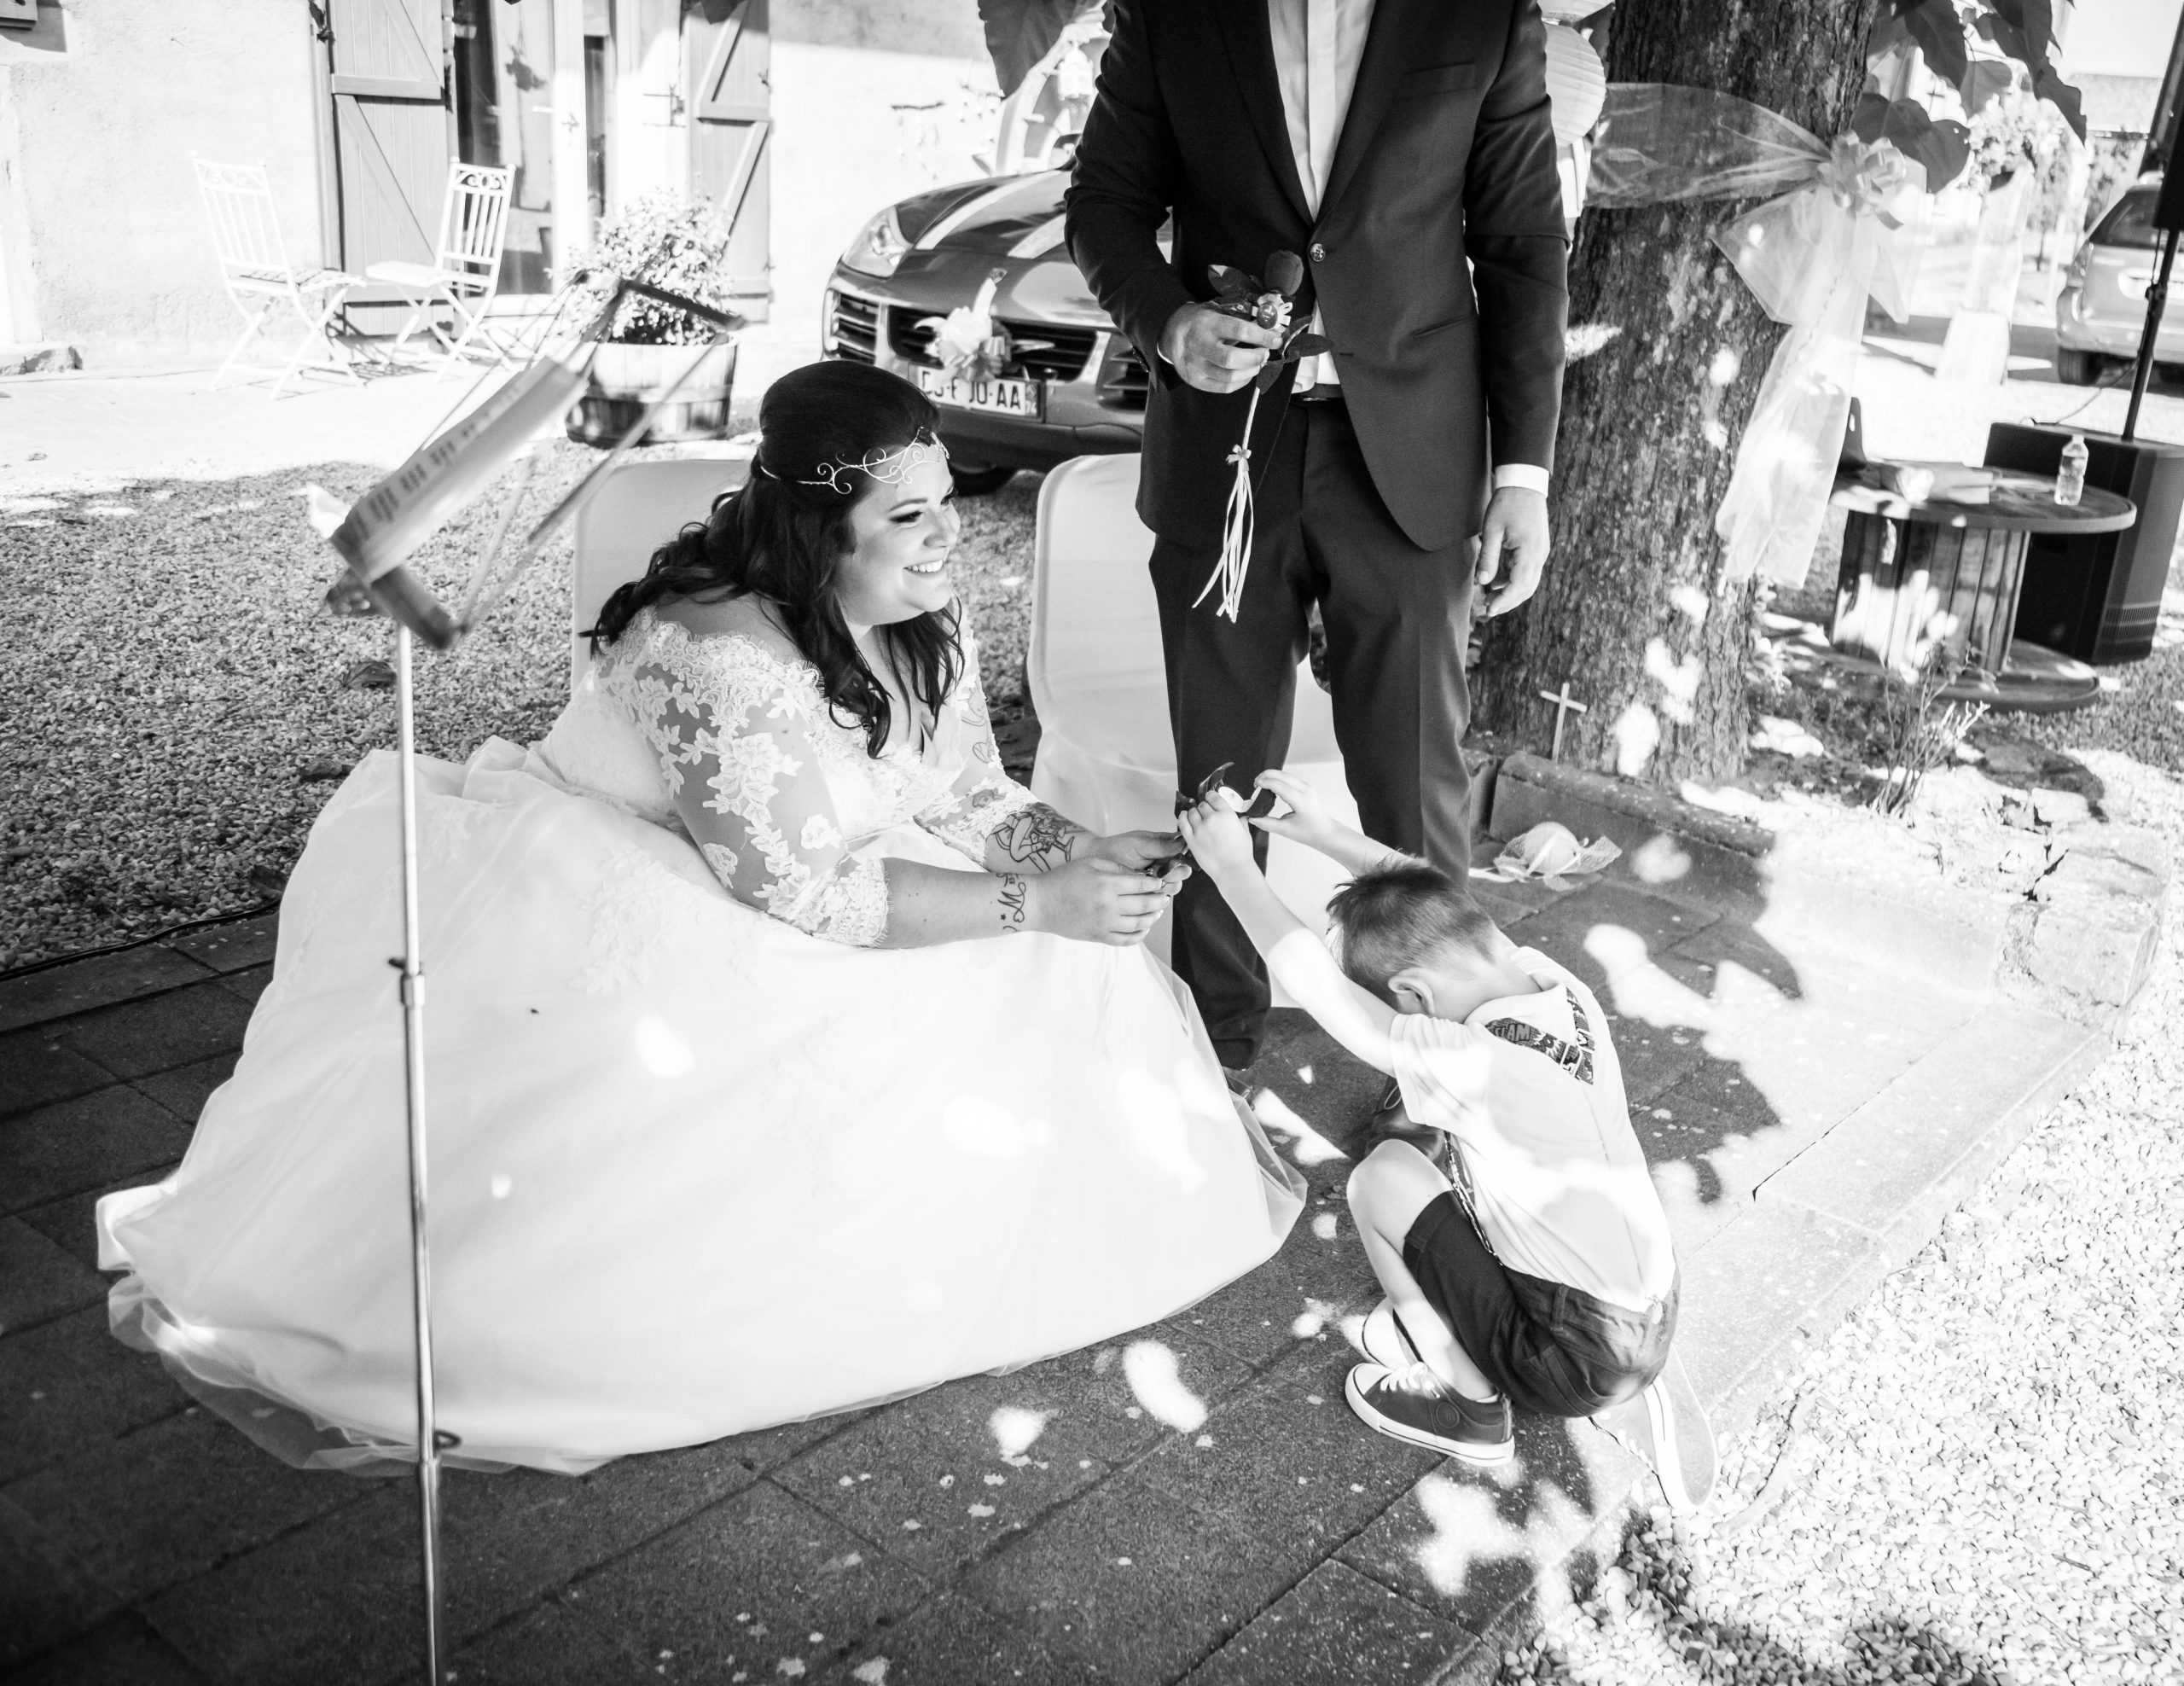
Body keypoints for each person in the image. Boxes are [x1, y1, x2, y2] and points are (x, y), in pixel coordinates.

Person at [96, 361, 1303, 1476]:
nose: (948, 537)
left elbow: (959, 788)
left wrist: (1078, 853)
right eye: (910, 516)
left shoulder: (919, 599)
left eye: (946, 502)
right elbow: (808, 896)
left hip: (813, 859)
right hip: (642, 890)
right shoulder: (708, 648)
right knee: (967, 972)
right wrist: (1038, 902)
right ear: (817, 528)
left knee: (1065, 958)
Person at [1064, 0, 1569, 1079]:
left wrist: (1522, 475)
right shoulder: (1171, 12)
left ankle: (1437, 1068)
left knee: (1414, 782)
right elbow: (1103, 203)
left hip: (1415, 457)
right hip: (1224, 451)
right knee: (1217, 776)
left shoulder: (1484, 16)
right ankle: (1216, 1053)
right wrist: (1167, 321)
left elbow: (1522, 242)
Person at [1176, 774, 1715, 1509]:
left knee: (1379, 1182)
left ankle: (1470, 1405)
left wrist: (1233, 868)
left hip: (1569, 1355)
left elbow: (1326, 994)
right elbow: (1448, 904)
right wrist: (1324, 833)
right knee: (1441, 1156)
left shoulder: (1471, 1061)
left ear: (1416, 998)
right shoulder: (1557, 986)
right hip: (1654, 1303)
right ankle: (1606, 1368)